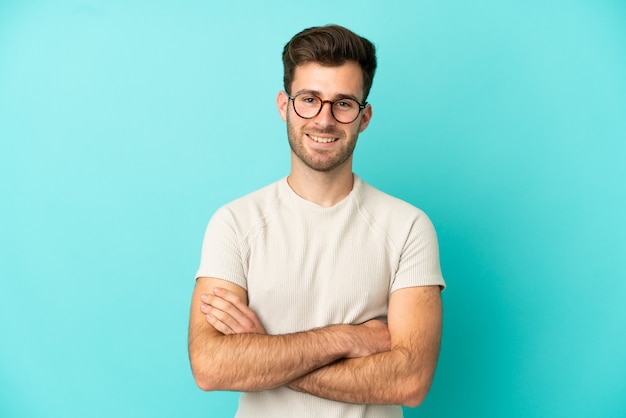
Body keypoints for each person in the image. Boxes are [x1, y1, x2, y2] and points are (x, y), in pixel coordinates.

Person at [188, 24, 446, 418]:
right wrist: (348, 339)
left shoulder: (408, 227)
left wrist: (263, 352)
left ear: (364, 117)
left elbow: (409, 381)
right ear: (284, 106)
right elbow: (210, 366)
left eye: (343, 103)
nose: (324, 120)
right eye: (309, 99)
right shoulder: (235, 223)